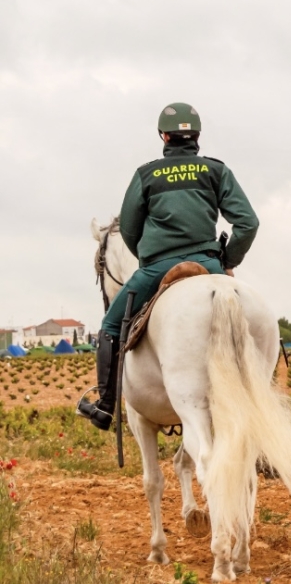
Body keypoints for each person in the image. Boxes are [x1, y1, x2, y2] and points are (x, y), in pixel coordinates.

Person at [77, 103, 259, 430]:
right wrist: (227, 261)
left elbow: (130, 230)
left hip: (157, 267)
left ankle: (104, 406)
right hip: (207, 262)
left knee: (109, 327)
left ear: (163, 135)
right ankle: (261, 404)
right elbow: (248, 223)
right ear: (197, 136)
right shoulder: (215, 171)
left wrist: (149, 259)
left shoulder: (146, 175)